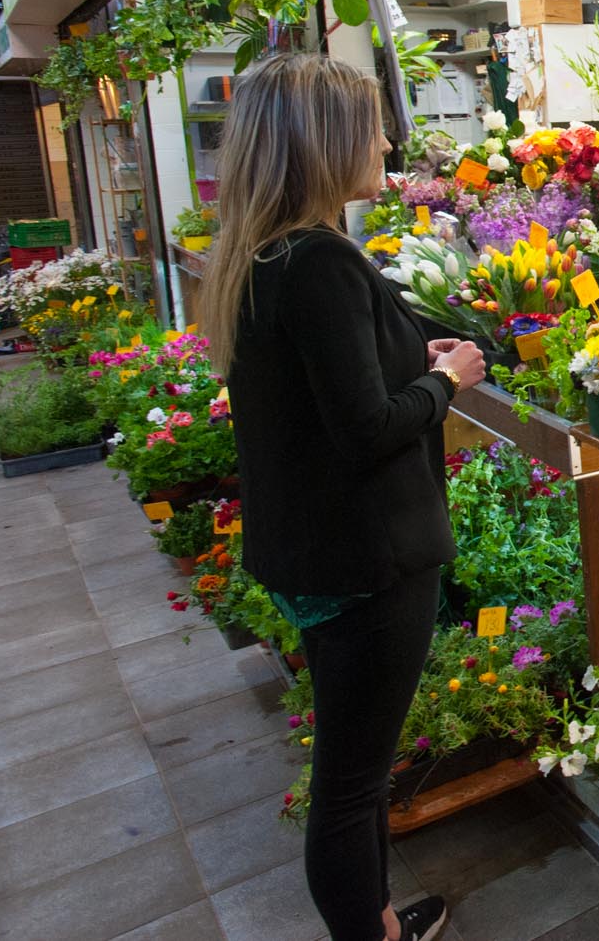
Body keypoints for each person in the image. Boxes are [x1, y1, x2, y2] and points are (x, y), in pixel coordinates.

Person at [197, 54, 482, 941]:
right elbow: (365, 426)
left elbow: (326, 397)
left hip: (312, 551)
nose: (387, 139)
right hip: (367, 559)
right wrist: (449, 382)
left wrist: (408, 351)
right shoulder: (319, 260)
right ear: (322, 143)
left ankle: (380, 918)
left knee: (349, 759)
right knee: (355, 776)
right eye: (369, 124)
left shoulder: (260, 258)